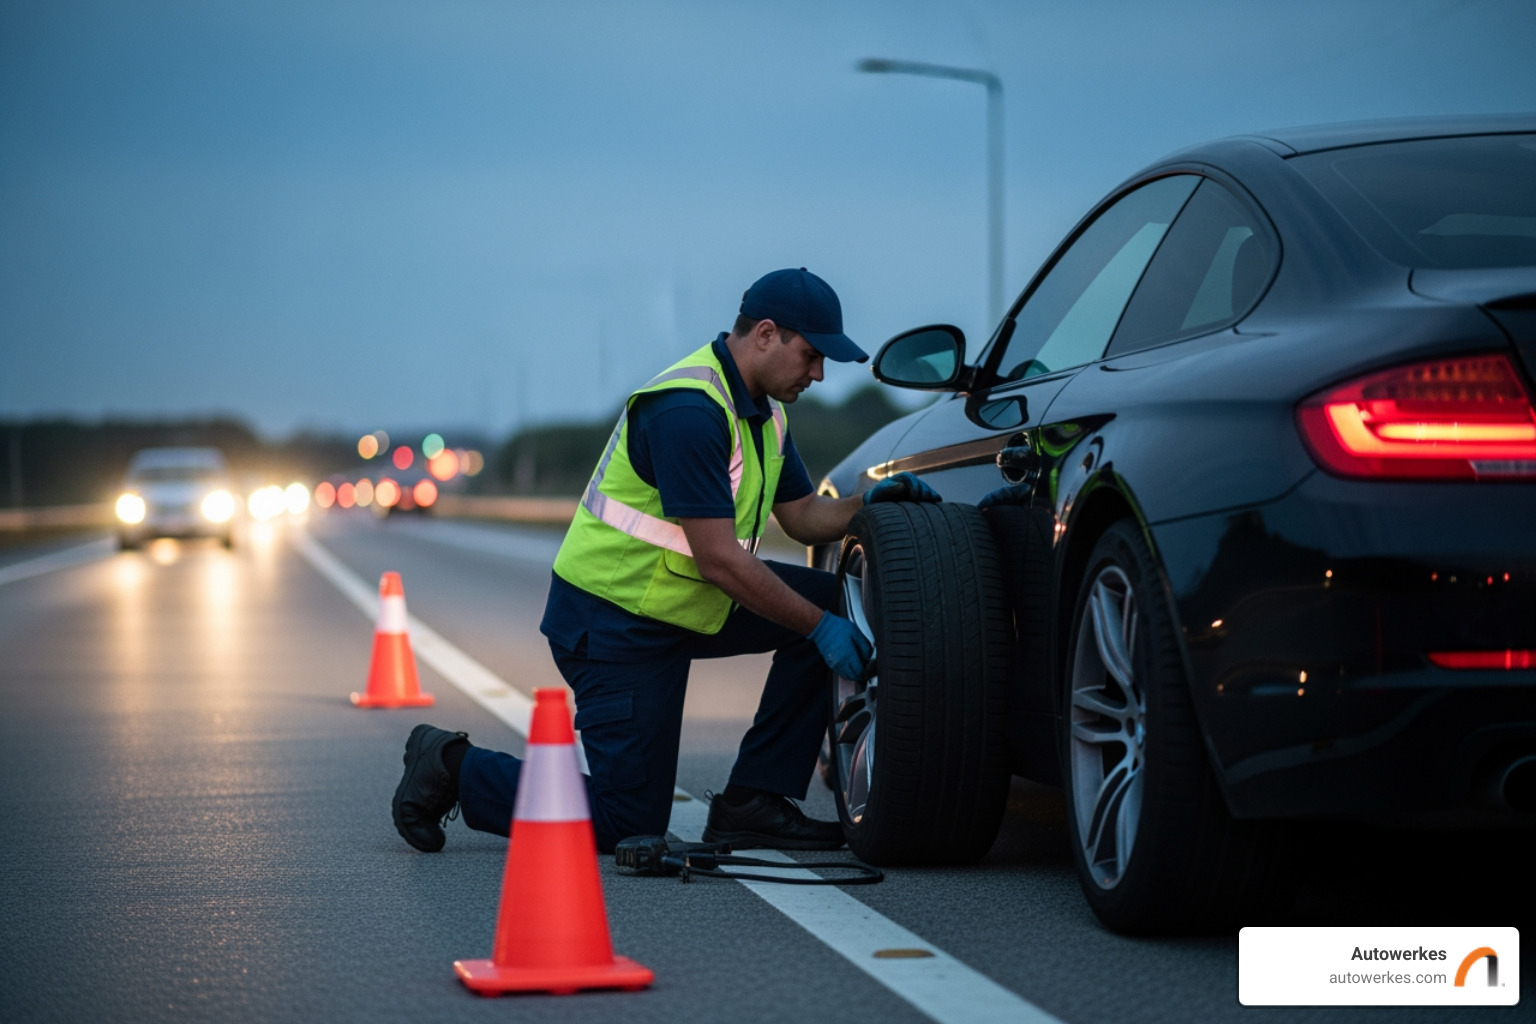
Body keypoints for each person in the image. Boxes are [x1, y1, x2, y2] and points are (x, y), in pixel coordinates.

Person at [391, 267, 939, 855]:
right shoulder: (687, 409)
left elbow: (802, 514)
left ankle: (754, 803)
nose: (818, 373)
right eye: (810, 355)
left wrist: (866, 506)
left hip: (684, 602)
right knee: (627, 821)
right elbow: (719, 561)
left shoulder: (765, 412)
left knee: (833, 604)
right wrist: (816, 626)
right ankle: (451, 765)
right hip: (613, 622)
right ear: (765, 334)